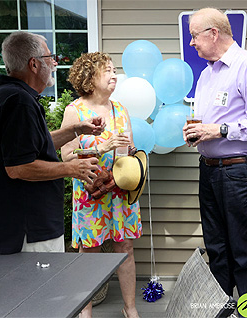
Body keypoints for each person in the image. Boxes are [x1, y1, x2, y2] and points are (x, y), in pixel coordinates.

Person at [182, 8, 247, 298]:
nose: (192, 43)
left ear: (213, 33)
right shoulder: (207, 74)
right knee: (216, 248)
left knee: (242, 249)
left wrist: (218, 131)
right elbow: (207, 122)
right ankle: (223, 309)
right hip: (209, 167)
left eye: (194, 36)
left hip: (238, 170)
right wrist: (197, 132)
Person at [0, 31, 104, 255]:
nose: (55, 62)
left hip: (18, 226)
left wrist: (76, 129)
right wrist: (72, 168)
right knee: (40, 289)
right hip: (27, 231)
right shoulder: (18, 102)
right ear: (34, 65)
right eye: (50, 57)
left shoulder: (6, 96)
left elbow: (33, 146)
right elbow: (18, 167)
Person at [60, 52, 141, 318]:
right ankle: (85, 313)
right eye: (107, 70)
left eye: (114, 69)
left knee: (125, 248)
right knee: (90, 252)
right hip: (89, 193)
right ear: (89, 78)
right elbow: (66, 156)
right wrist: (102, 146)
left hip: (119, 191)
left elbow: (127, 151)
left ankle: (130, 309)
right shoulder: (75, 111)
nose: (114, 74)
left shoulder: (121, 110)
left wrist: (131, 153)